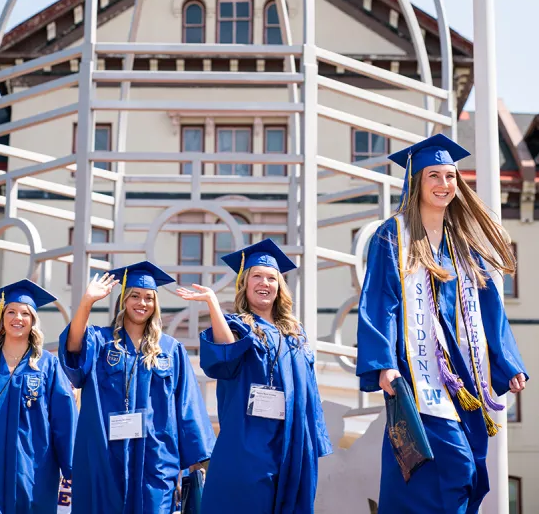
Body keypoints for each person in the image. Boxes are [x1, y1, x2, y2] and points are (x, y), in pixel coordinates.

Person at [357, 133, 528, 514]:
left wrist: (508, 361)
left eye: (450, 176)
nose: (443, 184)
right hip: (418, 374)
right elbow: (380, 301)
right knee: (446, 464)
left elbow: (489, 306)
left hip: (464, 375)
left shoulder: (461, 243)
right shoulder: (394, 235)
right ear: (416, 182)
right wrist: (382, 362)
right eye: (433, 175)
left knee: (466, 469)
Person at [177, 238, 333, 514]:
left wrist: (313, 441)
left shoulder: (295, 334)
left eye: (271, 278)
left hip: (291, 442)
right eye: (256, 276)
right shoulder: (238, 325)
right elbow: (224, 355)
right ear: (245, 285)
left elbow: (311, 392)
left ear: (279, 286)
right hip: (248, 444)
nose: (264, 283)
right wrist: (213, 304)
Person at [58, 261, 215, 514]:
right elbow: (74, 349)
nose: (142, 303)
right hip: (107, 452)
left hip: (156, 455)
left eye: (148, 298)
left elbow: (186, 404)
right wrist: (87, 301)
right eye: (135, 296)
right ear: (123, 301)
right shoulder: (101, 341)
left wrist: (195, 464)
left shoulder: (170, 349)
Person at [0, 279, 77, 514]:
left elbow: (64, 421)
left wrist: (73, 470)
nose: (18, 318)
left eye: (25, 313)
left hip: (33, 470)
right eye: (11, 311)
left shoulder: (48, 366)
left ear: (33, 320)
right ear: (2, 318)